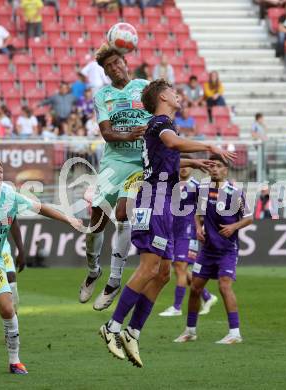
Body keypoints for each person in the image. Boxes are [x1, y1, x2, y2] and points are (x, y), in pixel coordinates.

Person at [98, 79, 236, 367]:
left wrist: (193, 163)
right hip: (154, 199)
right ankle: (111, 327)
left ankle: (133, 332)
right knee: (150, 267)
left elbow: (167, 155)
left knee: (162, 273)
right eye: (173, 91)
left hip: (165, 201)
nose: (177, 94)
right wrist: (207, 146)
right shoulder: (161, 123)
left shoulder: (162, 126)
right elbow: (171, 143)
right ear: (163, 96)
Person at [0, 155, 80, 374]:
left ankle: (14, 361)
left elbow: (41, 208)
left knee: (8, 309)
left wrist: (69, 219)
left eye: (0, 170)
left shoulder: (9, 196)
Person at [78, 45, 152, 311]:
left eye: (117, 62)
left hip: (137, 164)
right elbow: (107, 133)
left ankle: (114, 280)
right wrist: (129, 135)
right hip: (113, 162)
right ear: (105, 72)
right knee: (95, 223)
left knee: (123, 215)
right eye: (108, 66)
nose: (114, 68)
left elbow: (162, 115)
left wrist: (151, 129)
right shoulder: (103, 95)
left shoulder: (145, 87)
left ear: (125, 62)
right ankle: (93, 270)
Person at [174, 155, 253, 344]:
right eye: (212, 166)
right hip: (207, 250)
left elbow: (249, 217)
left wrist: (234, 227)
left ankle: (235, 333)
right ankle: (190, 331)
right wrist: (198, 226)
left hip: (227, 250)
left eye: (219, 166)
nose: (215, 169)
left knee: (224, 287)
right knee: (195, 288)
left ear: (226, 170)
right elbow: (197, 212)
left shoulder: (235, 192)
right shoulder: (203, 190)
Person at [159, 163, 218, 317]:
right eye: (181, 166)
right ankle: (207, 296)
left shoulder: (196, 187)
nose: (184, 169)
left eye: (187, 167)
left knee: (180, 266)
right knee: (180, 269)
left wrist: (203, 226)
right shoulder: (171, 185)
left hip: (188, 230)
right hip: (172, 231)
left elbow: (205, 208)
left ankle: (177, 307)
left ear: (192, 168)